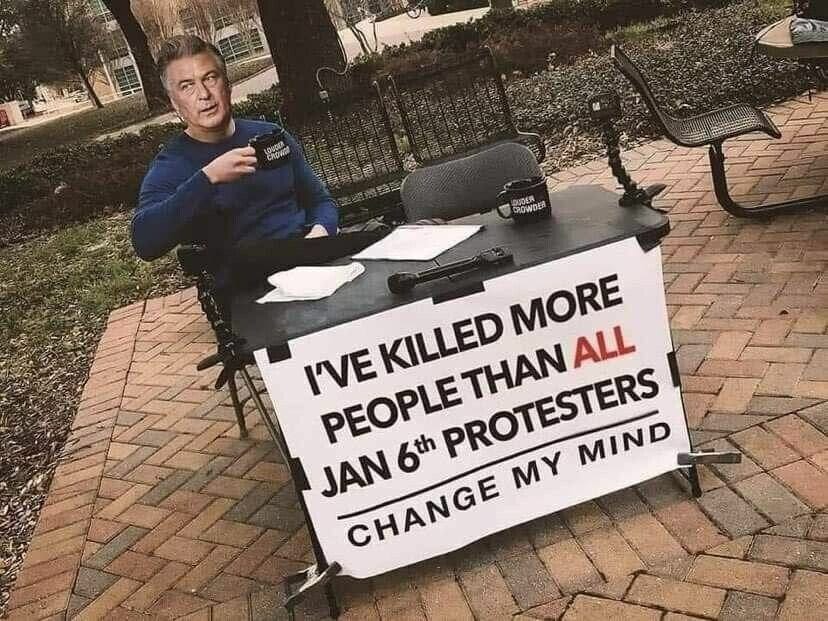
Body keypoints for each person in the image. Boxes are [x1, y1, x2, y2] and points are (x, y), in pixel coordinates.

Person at [131, 35, 338, 284]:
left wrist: (319, 235)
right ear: (174, 103)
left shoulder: (270, 135)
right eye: (187, 86)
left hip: (312, 263)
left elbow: (320, 201)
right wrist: (208, 178)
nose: (204, 94)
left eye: (210, 78)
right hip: (248, 287)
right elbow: (145, 242)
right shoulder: (172, 166)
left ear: (227, 84)